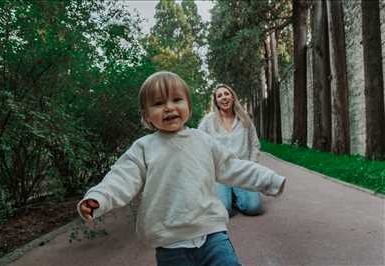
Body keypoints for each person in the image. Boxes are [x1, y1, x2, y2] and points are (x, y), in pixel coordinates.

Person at [78, 71, 286, 266]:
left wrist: (268, 179)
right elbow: (121, 177)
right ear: (146, 115)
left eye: (176, 100)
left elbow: (232, 166)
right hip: (169, 242)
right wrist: (100, 198)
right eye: (158, 103)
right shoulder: (143, 148)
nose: (169, 107)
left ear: (188, 106)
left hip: (212, 233)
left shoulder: (203, 140)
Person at [198, 84, 263, 217]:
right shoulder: (208, 121)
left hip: (241, 171)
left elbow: (255, 144)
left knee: (254, 208)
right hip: (220, 174)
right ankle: (227, 196)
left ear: (233, 97)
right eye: (219, 95)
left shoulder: (245, 119)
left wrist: (252, 165)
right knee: (224, 210)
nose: (223, 97)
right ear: (216, 101)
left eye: (226, 94)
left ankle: (236, 195)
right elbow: (198, 144)